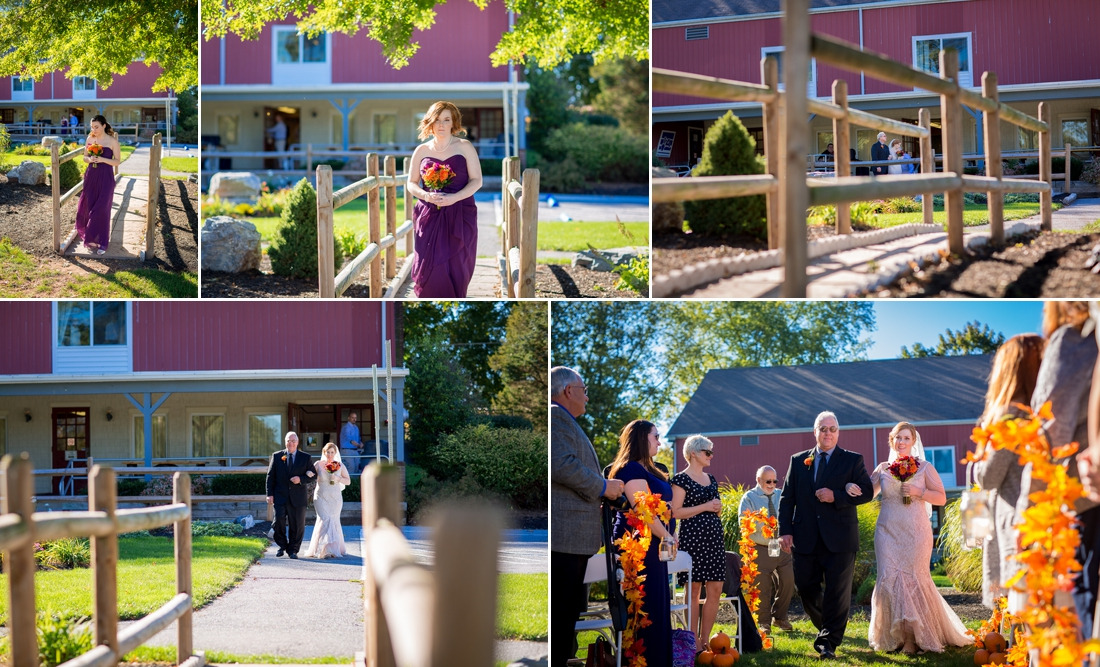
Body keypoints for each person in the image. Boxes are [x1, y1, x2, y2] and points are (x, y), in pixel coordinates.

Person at [868, 422, 971, 654]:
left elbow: (941, 498)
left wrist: (918, 492)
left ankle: (912, 639)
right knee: (888, 577)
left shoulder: (924, 468)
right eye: (898, 437)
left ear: (913, 441)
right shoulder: (883, 468)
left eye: (906, 438)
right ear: (892, 440)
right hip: (886, 532)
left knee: (913, 580)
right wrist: (850, 488)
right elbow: (868, 493)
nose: (901, 442)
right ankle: (892, 636)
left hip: (915, 533)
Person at [778, 411, 873, 659]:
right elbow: (787, 499)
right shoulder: (798, 461)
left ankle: (828, 641)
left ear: (838, 432)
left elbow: (867, 492)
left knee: (837, 592)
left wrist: (837, 496)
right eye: (823, 429)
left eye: (832, 429)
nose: (827, 433)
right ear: (815, 432)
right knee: (806, 587)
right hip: (805, 537)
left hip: (840, 538)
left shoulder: (852, 460)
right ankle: (828, 627)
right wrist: (785, 531)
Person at [1029, 301, 1099, 631]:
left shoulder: (1073, 339)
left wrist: (1031, 513)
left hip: (1084, 495)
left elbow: (1050, 431)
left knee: (1087, 603)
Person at [550, 366, 625, 667]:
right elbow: (562, 465)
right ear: (569, 391)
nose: (587, 397)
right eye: (584, 390)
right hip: (565, 537)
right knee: (561, 614)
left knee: (568, 614)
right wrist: (603, 487)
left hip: (575, 538)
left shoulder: (565, 421)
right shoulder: (556, 416)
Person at [973, 334, 1045, 608]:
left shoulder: (1010, 418)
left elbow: (988, 477)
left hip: (1015, 522)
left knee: (1015, 610)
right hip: (1047, 519)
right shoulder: (1047, 414)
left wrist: (982, 451)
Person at [609, 420, 675, 666]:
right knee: (645, 605)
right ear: (641, 438)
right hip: (638, 547)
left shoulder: (651, 469)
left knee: (658, 606)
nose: (659, 441)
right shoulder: (629, 469)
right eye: (655, 436)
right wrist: (667, 535)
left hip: (656, 545)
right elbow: (643, 510)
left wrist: (669, 532)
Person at [406, 101, 482, 298]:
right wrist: (426, 195)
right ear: (430, 122)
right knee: (429, 266)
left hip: (461, 213)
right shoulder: (421, 150)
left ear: (453, 122)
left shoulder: (465, 147)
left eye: (446, 120)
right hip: (429, 214)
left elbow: (477, 180)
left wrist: (454, 198)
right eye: (437, 120)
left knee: (458, 266)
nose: (441, 124)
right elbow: (411, 183)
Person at [670, 435, 725, 650]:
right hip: (692, 539)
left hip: (714, 540)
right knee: (693, 590)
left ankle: (705, 640)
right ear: (693, 453)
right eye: (707, 452)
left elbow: (716, 509)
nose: (711, 455)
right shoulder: (680, 479)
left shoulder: (711, 478)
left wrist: (717, 508)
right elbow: (675, 512)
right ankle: (692, 642)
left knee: (716, 588)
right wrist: (706, 506)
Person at [738, 465, 795, 635]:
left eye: (774, 481)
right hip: (760, 548)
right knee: (762, 586)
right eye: (768, 481)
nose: (772, 485)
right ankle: (763, 622)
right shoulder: (749, 498)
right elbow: (743, 523)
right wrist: (765, 525)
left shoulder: (780, 495)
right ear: (758, 480)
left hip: (782, 547)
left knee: (788, 581)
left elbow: (791, 515)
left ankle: (780, 617)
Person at [74, 115, 121, 255]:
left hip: (106, 178)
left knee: (101, 209)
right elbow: (84, 157)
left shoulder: (112, 141)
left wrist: (102, 159)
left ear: (104, 126)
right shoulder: (90, 139)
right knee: (90, 207)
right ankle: (92, 239)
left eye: (96, 127)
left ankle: (103, 242)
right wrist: (90, 159)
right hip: (91, 177)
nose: (94, 129)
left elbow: (117, 161)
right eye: (92, 127)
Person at [266, 431, 315, 559]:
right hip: (280, 496)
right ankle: (282, 545)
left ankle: (293, 550)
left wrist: (301, 479)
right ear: (285, 442)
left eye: (293, 441)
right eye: (288, 441)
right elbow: (270, 477)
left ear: (297, 442)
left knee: (297, 525)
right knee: (278, 522)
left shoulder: (305, 457)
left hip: (298, 497)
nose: (291, 443)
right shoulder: (277, 456)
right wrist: (269, 494)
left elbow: (313, 475)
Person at [304, 442, 350, 559]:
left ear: (335, 453)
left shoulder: (339, 465)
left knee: (333, 520)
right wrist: (308, 473)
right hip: (321, 497)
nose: (330, 455)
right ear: (324, 452)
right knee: (324, 519)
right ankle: (321, 549)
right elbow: (309, 474)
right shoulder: (318, 464)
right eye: (328, 452)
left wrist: (338, 478)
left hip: (335, 498)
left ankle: (332, 549)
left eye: (332, 452)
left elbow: (348, 481)